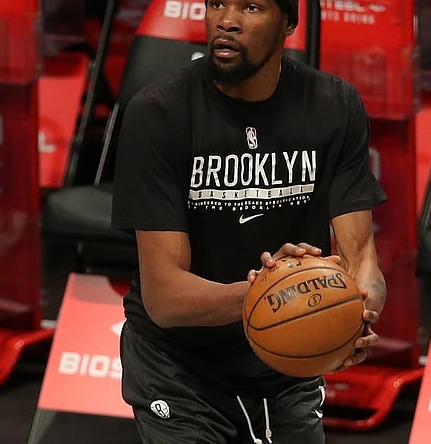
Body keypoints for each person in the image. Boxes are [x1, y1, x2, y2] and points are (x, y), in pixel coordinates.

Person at [110, 0, 387, 441]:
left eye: (251, 7)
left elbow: (362, 258)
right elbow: (164, 298)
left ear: (288, 23)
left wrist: (356, 313)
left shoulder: (334, 105)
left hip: (286, 363)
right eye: (216, 3)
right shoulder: (159, 112)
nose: (226, 21)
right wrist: (280, 291)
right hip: (180, 369)